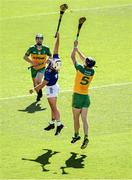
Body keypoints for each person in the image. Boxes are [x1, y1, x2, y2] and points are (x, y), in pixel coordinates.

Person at [29, 33, 64, 136]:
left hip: (51, 89)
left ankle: (59, 124)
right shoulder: (55, 62)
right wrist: (58, 38)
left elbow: (43, 84)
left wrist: (33, 89)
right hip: (53, 88)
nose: (50, 59)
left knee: (54, 108)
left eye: (51, 61)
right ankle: (52, 123)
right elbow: (56, 49)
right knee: (52, 106)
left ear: (53, 65)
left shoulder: (49, 72)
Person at [71, 40, 96, 149]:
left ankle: (76, 135)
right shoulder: (92, 71)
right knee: (84, 118)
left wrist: (74, 49)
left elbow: (72, 58)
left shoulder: (80, 69)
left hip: (77, 97)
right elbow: (84, 60)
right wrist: (77, 49)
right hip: (86, 97)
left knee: (76, 118)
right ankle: (86, 136)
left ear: (86, 64)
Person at [23, 34, 52, 102]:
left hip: (42, 68)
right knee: (34, 83)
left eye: (41, 39)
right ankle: (39, 94)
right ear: (35, 40)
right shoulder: (31, 48)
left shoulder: (46, 48)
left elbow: (51, 56)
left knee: (38, 81)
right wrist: (32, 62)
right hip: (33, 68)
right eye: (38, 39)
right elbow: (25, 57)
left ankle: (39, 92)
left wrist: (48, 60)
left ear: (42, 40)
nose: (39, 40)